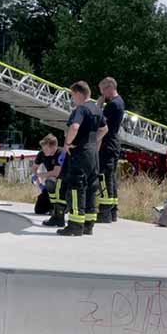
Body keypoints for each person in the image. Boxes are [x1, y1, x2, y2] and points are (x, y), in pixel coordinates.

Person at [58, 81, 107, 237]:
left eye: (72, 95)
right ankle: (88, 225)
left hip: (80, 153)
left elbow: (74, 127)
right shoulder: (97, 109)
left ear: (79, 94)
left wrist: (67, 143)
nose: (72, 99)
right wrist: (93, 143)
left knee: (76, 187)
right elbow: (104, 129)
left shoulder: (81, 109)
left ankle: (75, 225)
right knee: (92, 188)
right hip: (93, 154)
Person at [97, 77, 125, 223]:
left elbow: (100, 122)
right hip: (114, 144)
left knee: (104, 178)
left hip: (107, 145)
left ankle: (105, 213)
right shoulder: (120, 102)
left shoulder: (112, 105)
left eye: (102, 90)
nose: (102, 94)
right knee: (111, 178)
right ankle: (112, 211)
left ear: (109, 88)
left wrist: (99, 105)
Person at [32, 134, 63, 216]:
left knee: (51, 180)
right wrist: (39, 184)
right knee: (38, 210)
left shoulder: (60, 153)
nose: (43, 150)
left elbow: (56, 173)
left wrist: (40, 175)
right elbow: (34, 168)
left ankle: (57, 208)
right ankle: (51, 207)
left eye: (45, 148)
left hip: (62, 184)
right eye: (43, 148)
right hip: (50, 184)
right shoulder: (42, 154)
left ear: (53, 147)